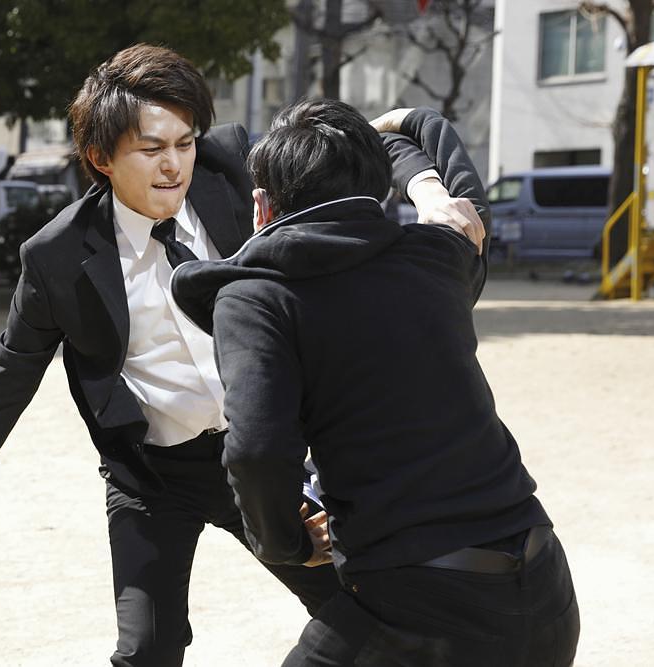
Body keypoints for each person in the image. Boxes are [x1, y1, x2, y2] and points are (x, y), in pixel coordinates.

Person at [0, 45, 475, 666]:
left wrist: (427, 190)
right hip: (153, 478)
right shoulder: (57, 256)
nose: (174, 164)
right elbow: (11, 373)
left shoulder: (232, 162)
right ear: (101, 158)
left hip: (259, 456)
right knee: (147, 650)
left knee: (364, 605)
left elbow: (358, 147)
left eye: (184, 143)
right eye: (151, 149)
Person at [171, 100, 580, 666]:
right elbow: (461, 194)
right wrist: (407, 136)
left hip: (417, 610)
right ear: (381, 192)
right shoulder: (438, 257)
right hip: (546, 589)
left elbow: (258, 450)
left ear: (260, 207)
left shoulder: (257, 298)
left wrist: (286, 544)